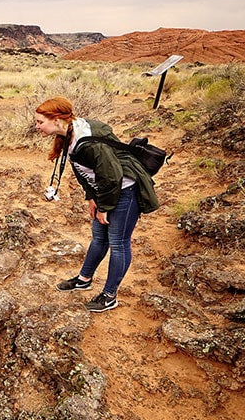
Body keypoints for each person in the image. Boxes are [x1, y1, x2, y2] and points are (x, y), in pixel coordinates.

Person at [34, 96, 158, 312]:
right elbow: (84, 171)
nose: (37, 127)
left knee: (118, 242)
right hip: (106, 192)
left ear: (56, 119)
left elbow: (112, 176)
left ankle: (109, 296)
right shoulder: (69, 133)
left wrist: (104, 207)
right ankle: (84, 279)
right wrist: (92, 197)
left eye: (40, 122)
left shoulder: (87, 140)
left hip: (125, 190)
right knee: (100, 237)